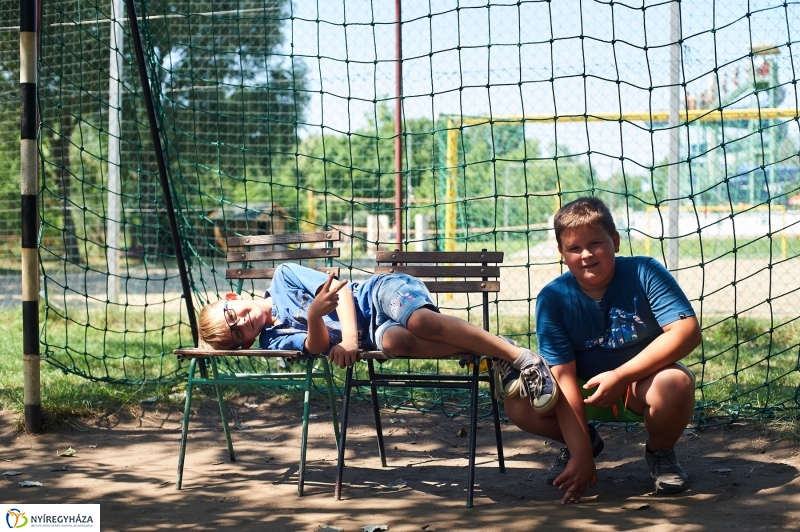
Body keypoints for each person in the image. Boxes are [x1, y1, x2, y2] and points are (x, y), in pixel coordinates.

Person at [501, 197, 701, 504]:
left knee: (676, 382)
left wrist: (622, 375)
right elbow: (563, 376)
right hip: (582, 393)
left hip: (638, 385)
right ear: (562, 253)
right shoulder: (553, 298)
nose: (586, 254)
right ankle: (583, 443)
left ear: (615, 241)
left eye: (595, 243)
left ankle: (661, 453)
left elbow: (687, 332)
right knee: (519, 403)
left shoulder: (644, 271)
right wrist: (582, 455)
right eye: (574, 248)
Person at [197, 262, 559, 413]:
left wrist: (350, 340)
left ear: (233, 298)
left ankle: (522, 358)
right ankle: (498, 350)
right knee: (393, 344)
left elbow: (343, 291)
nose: (242, 320)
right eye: (238, 331)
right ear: (245, 343)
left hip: (380, 292)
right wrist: (312, 316)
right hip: (376, 334)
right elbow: (317, 347)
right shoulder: (272, 341)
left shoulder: (284, 276)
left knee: (420, 322)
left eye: (233, 315)